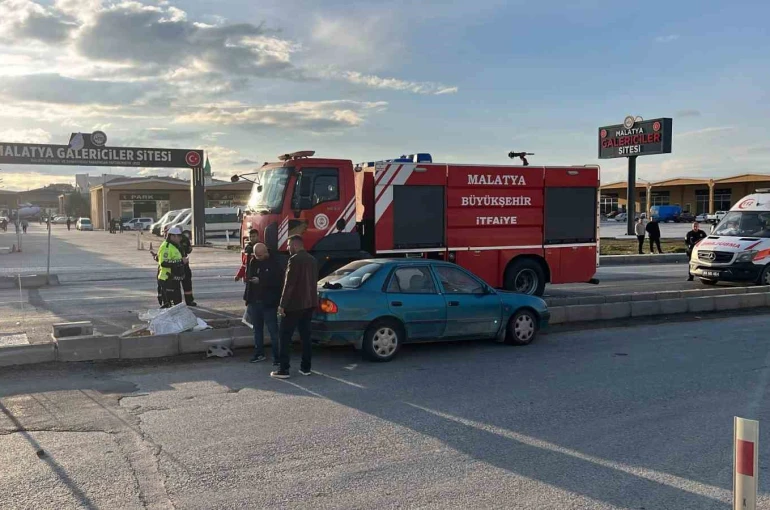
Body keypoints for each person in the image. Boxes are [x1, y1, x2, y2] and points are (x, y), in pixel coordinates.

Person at [272, 235, 318, 379]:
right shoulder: (312, 260)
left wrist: (282, 305)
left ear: (296, 245)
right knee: (306, 337)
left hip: (294, 305)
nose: (287, 248)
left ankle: (283, 369)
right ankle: (306, 367)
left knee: (284, 337)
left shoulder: (294, 260)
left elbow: (289, 285)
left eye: (288, 245)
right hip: (309, 304)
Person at [245, 243, 283, 364]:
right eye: (256, 255)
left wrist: (261, 281)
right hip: (254, 301)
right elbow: (249, 280)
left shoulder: (275, 262)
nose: (258, 257)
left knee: (273, 330)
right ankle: (259, 353)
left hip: (269, 303)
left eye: (260, 255)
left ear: (266, 252)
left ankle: (277, 356)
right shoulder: (253, 261)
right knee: (257, 329)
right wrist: (247, 299)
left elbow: (278, 281)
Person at [156, 227, 186, 308]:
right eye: (178, 236)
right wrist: (180, 261)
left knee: (177, 304)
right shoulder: (166, 247)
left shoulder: (174, 246)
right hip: (167, 279)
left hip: (174, 280)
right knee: (172, 306)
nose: (180, 238)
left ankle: (175, 320)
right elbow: (163, 263)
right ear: (172, 236)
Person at [179, 231, 197, 306]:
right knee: (176, 286)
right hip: (175, 265)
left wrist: (189, 249)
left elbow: (189, 249)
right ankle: (178, 302)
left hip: (184, 264)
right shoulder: (169, 243)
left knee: (187, 283)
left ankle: (189, 300)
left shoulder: (184, 239)